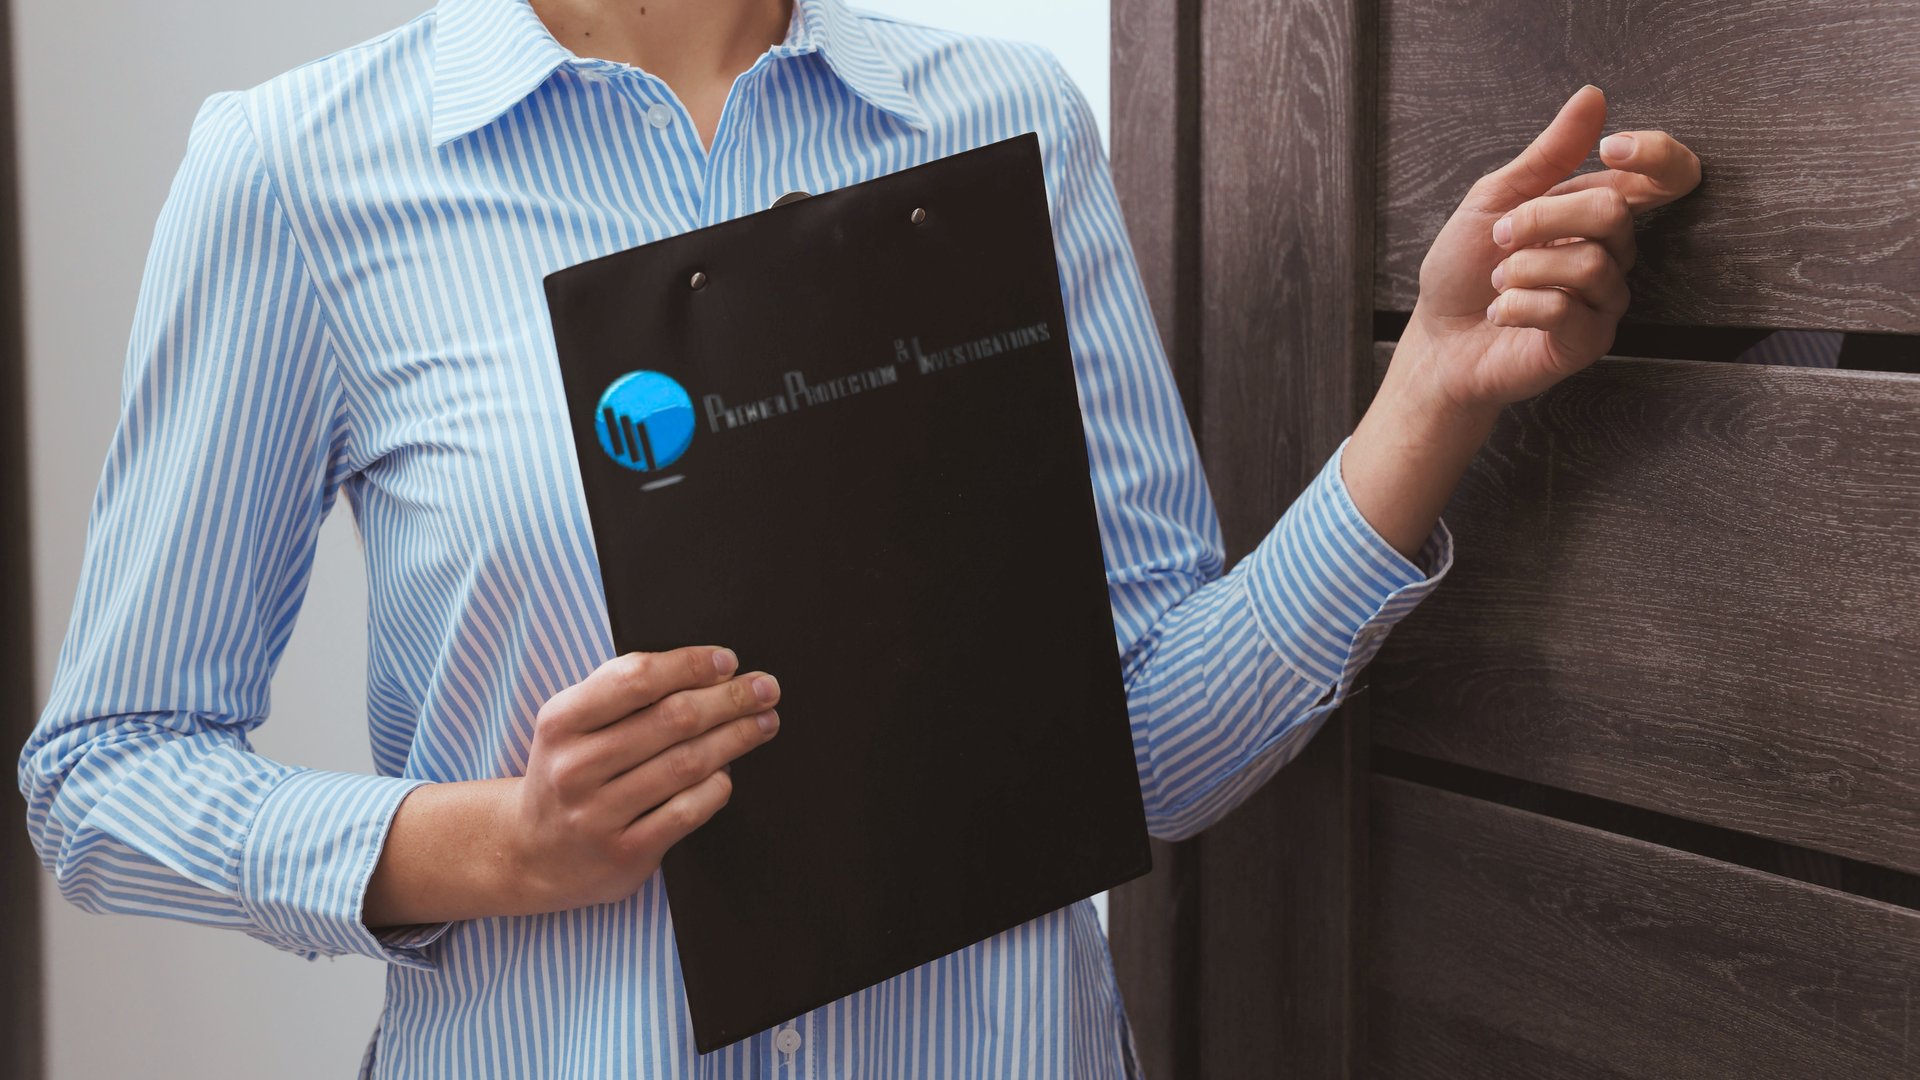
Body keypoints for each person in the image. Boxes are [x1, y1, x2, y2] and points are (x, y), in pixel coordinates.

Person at [16, 0, 1701, 1075]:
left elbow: (1139, 751)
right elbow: (103, 775)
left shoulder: (1000, 118)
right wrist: (497, 847)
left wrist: (1432, 394)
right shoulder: (296, 177)